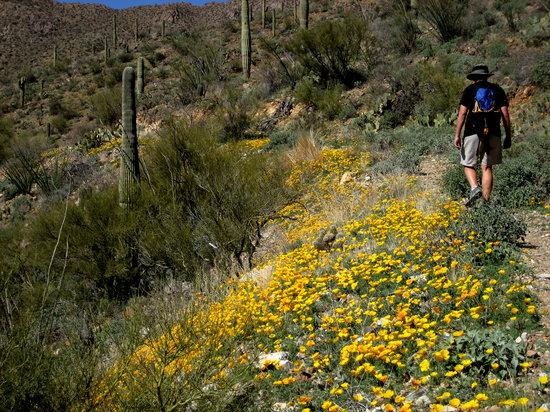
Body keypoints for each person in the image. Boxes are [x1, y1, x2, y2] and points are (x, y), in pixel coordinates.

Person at [454, 64, 512, 206]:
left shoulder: (470, 90)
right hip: (493, 132)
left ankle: (474, 189)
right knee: (486, 167)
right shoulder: (498, 90)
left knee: (468, 163)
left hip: (472, 132)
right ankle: (485, 203)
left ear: (474, 78)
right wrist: (508, 135)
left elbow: (462, 113)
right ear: (487, 76)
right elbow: (505, 114)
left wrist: (457, 134)